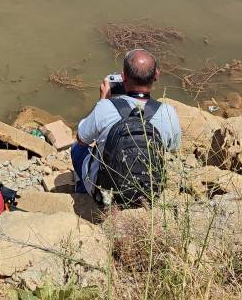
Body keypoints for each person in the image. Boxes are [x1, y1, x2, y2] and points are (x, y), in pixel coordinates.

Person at [71, 48, 182, 206]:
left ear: (123, 76)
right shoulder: (168, 113)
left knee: (77, 149)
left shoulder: (105, 108)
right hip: (147, 193)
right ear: (156, 75)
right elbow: (173, 149)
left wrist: (102, 101)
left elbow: (81, 139)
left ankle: (83, 190)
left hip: (106, 194)